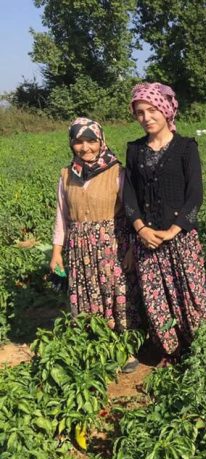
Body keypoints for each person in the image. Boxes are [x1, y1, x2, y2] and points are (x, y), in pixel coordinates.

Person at [122, 82, 206, 365]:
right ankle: (170, 351)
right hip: (147, 240)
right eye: (140, 113)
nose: (146, 117)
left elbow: (195, 193)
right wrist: (140, 228)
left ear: (166, 110)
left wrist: (175, 228)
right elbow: (130, 193)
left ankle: (197, 352)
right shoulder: (135, 150)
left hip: (180, 239)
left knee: (190, 297)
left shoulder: (185, 148)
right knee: (157, 300)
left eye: (152, 110)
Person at [50, 118, 141, 370]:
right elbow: (62, 217)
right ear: (71, 144)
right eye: (78, 141)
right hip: (79, 249)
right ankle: (96, 347)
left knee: (117, 296)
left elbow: (133, 214)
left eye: (91, 140)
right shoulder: (67, 175)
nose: (85, 147)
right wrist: (57, 252)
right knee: (86, 296)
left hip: (113, 245)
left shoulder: (116, 172)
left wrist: (133, 248)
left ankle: (124, 348)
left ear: (102, 141)